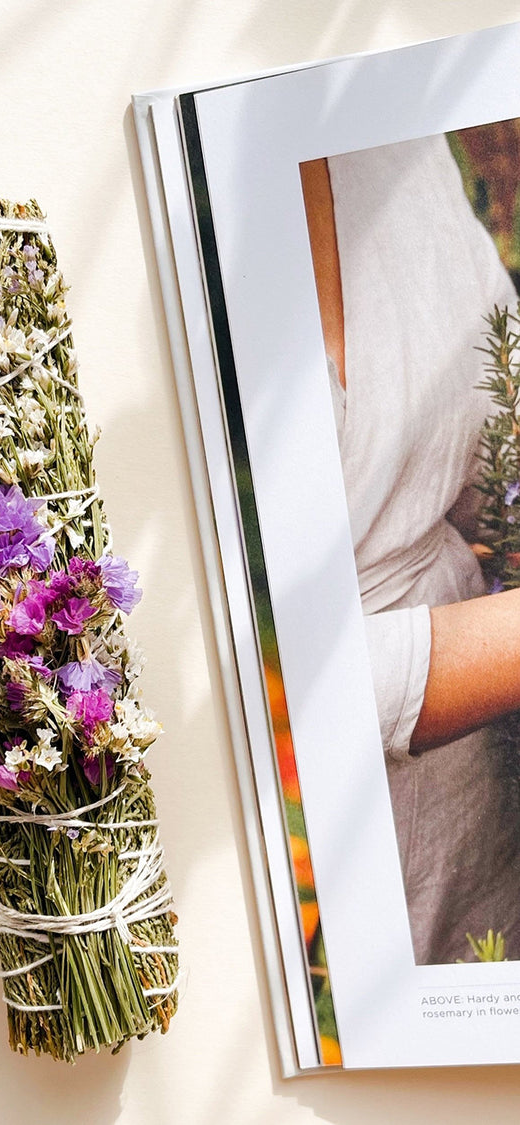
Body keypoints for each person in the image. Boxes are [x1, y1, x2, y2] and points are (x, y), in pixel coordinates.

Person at [300, 132, 520, 964]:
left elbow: (493, 430)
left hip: (481, 814)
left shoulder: (382, 139)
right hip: (325, 875)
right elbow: (281, 681)